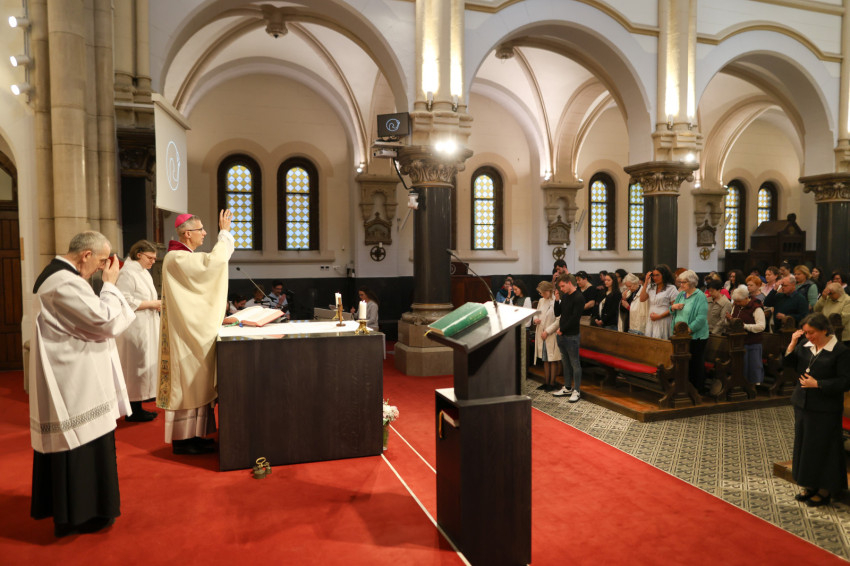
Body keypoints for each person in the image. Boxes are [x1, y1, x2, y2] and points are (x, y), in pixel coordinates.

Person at [29, 231, 136, 537]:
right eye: (102, 261)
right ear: (86, 255)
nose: (104, 268)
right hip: (76, 380)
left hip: (76, 371)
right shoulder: (65, 282)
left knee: (82, 442)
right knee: (80, 442)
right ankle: (82, 514)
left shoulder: (63, 277)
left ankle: (78, 510)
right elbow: (105, 321)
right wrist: (110, 285)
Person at [157, 210, 235, 455]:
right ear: (187, 234)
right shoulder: (176, 258)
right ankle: (183, 440)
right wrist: (224, 233)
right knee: (187, 385)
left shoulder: (183, 257)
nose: (205, 233)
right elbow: (214, 264)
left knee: (197, 384)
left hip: (192, 332)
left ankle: (196, 435)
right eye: (201, 229)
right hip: (184, 337)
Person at [784, 313, 850, 507]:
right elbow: (789, 364)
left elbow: (845, 381)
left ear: (824, 330)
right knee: (805, 448)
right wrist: (792, 343)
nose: (808, 336)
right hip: (802, 405)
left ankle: (824, 490)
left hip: (825, 408)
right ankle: (810, 484)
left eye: (811, 332)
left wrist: (818, 384)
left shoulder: (840, 351)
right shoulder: (805, 346)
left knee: (823, 449)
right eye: (805, 332)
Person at [115, 239, 161, 423]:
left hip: (146, 324)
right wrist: (153, 304)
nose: (153, 261)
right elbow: (124, 300)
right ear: (139, 254)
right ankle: (133, 411)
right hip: (134, 326)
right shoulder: (127, 272)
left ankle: (139, 405)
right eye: (150, 258)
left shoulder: (142, 271)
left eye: (155, 258)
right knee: (135, 366)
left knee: (143, 363)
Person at [671, 270, 709, 393]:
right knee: (681, 363)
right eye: (680, 282)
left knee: (695, 363)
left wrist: (688, 330)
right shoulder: (681, 295)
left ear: (692, 282)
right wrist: (673, 307)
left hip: (695, 336)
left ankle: (697, 390)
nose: (681, 284)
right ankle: (683, 388)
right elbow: (673, 310)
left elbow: (701, 318)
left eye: (684, 282)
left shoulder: (700, 296)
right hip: (680, 336)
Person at [551, 273, 584, 403]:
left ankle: (577, 390)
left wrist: (562, 329)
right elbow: (558, 313)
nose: (561, 289)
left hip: (572, 335)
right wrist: (556, 299)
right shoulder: (565, 296)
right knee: (565, 362)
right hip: (562, 334)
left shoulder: (579, 297)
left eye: (563, 286)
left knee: (575, 363)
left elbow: (575, 318)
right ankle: (568, 387)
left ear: (569, 283)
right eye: (560, 287)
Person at [727, 287, 766, 385]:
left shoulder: (756, 307)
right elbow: (734, 320)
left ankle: (755, 386)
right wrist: (729, 320)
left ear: (746, 298)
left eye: (739, 301)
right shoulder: (736, 306)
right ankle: (742, 384)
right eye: (735, 301)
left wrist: (744, 326)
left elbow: (761, 326)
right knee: (742, 367)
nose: (737, 303)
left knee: (754, 367)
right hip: (738, 343)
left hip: (753, 342)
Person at [534, 281, 561, 391]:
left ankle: (552, 383)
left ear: (548, 291)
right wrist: (535, 319)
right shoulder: (541, 301)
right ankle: (546, 382)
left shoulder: (556, 301)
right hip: (541, 333)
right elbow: (536, 313)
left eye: (542, 292)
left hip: (551, 334)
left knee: (552, 359)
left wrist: (547, 331)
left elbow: (558, 320)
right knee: (545, 358)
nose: (541, 295)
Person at [640, 265, 677, 339]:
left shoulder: (671, 288)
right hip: (651, 320)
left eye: (657, 275)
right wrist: (646, 281)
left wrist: (659, 316)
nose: (655, 278)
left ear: (664, 275)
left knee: (661, 341)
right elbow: (642, 298)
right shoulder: (651, 287)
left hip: (664, 320)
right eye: (653, 275)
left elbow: (674, 307)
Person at [507, 279, 532, 380]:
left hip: (524, 329)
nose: (515, 291)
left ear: (521, 288)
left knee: (523, 353)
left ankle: (524, 374)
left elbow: (528, 317)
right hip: (515, 328)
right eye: (513, 289)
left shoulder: (527, 299)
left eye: (516, 289)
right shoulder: (514, 298)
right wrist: (509, 296)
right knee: (516, 354)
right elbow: (509, 309)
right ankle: (516, 374)